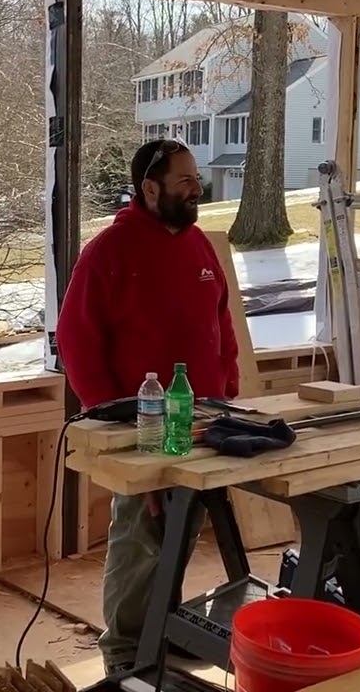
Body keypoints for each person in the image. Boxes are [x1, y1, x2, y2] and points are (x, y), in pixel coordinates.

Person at [56, 138, 241, 673]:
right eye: (184, 181)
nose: (195, 188)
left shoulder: (200, 246)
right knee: (142, 535)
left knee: (184, 525)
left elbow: (221, 323)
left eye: (195, 179)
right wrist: (113, 415)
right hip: (144, 424)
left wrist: (226, 387)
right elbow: (76, 340)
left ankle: (162, 626)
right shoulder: (110, 252)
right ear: (150, 188)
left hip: (205, 420)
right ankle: (124, 653)